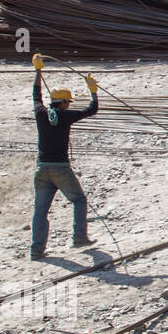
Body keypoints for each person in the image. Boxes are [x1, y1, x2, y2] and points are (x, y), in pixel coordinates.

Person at [30, 54, 99, 259]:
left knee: (40, 211)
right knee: (78, 199)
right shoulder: (66, 116)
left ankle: (36, 250)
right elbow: (92, 109)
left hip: (41, 169)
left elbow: (36, 94)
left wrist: (38, 71)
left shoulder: (41, 113)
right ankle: (79, 237)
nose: (68, 105)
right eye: (68, 103)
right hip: (60, 167)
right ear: (63, 104)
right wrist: (92, 91)